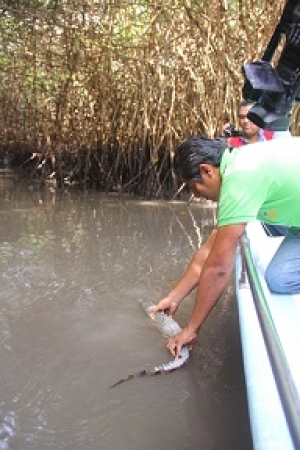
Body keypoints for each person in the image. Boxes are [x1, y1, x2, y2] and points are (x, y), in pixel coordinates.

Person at [152, 136, 300, 358]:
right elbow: (209, 251)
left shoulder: (240, 178)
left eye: (194, 186)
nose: (195, 195)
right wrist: (174, 297)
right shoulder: (241, 162)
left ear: (207, 170)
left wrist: (191, 329)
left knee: (280, 279)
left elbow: (218, 268)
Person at [227, 100, 291, 146]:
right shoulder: (231, 143)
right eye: (242, 117)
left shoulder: (276, 134)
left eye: (250, 116)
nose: (246, 121)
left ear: (260, 117)